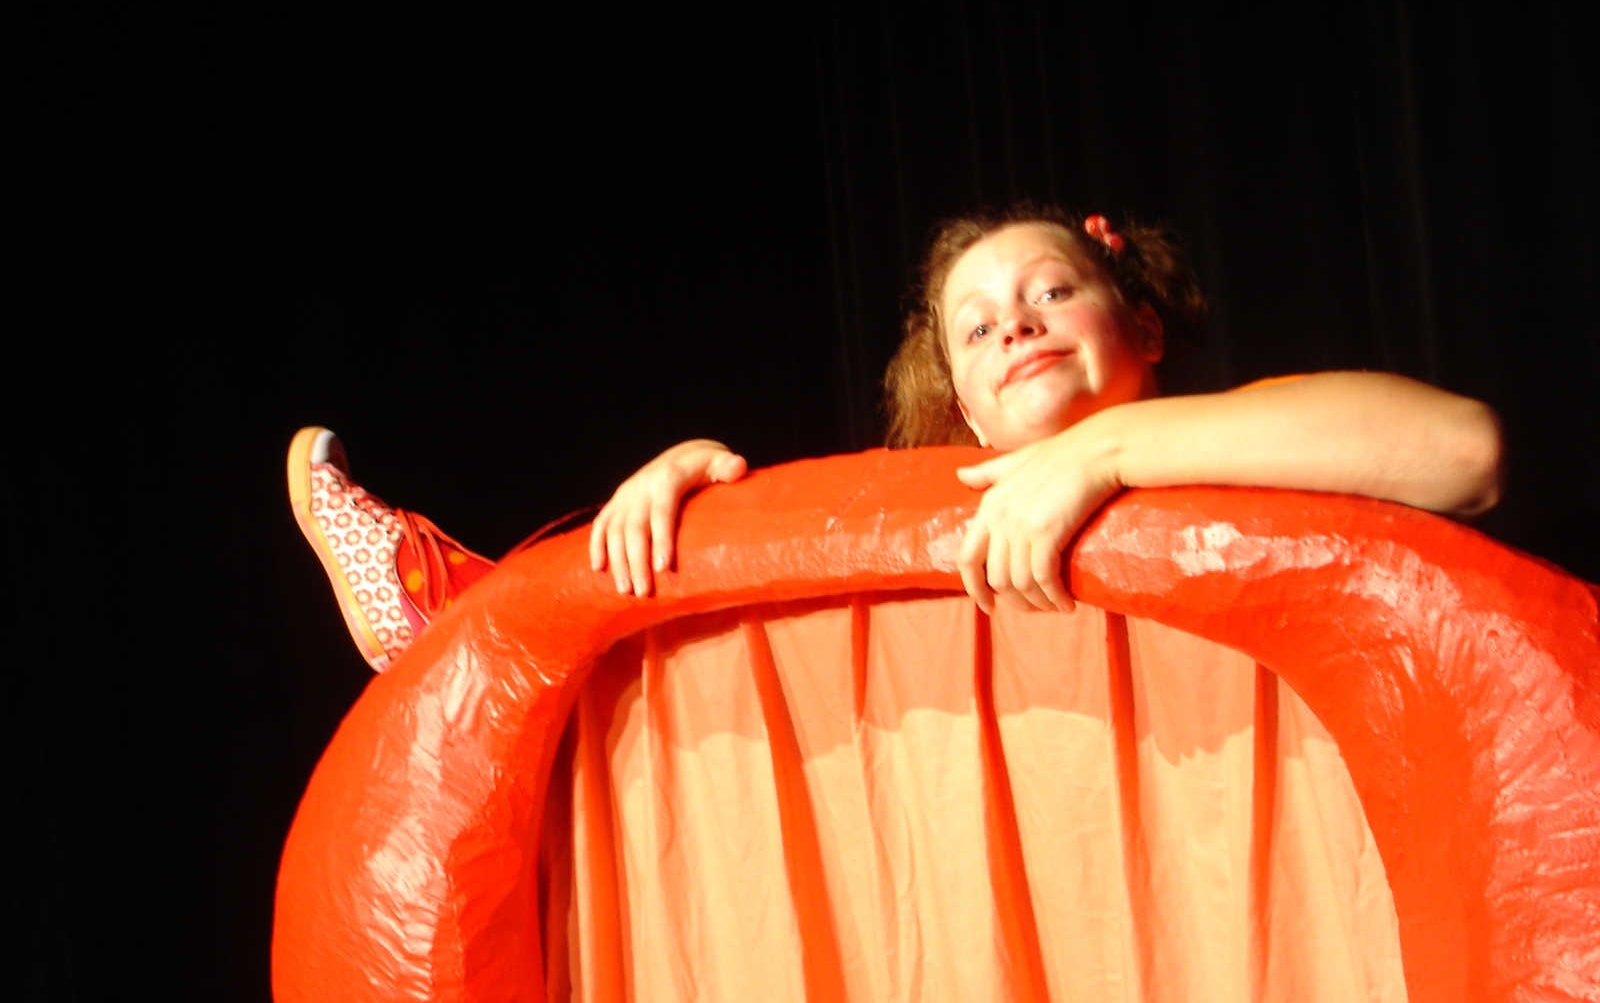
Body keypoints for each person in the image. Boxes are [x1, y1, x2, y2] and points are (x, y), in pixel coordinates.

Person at [289, 206, 1503, 669]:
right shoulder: (935, 505)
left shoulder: (1251, 442)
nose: (1015, 323)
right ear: (964, 403)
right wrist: (685, 498)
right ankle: (473, 621)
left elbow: (1465, 451)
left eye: (1051, 292)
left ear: (1140, 324)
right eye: (977, 326)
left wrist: (1100, 456)